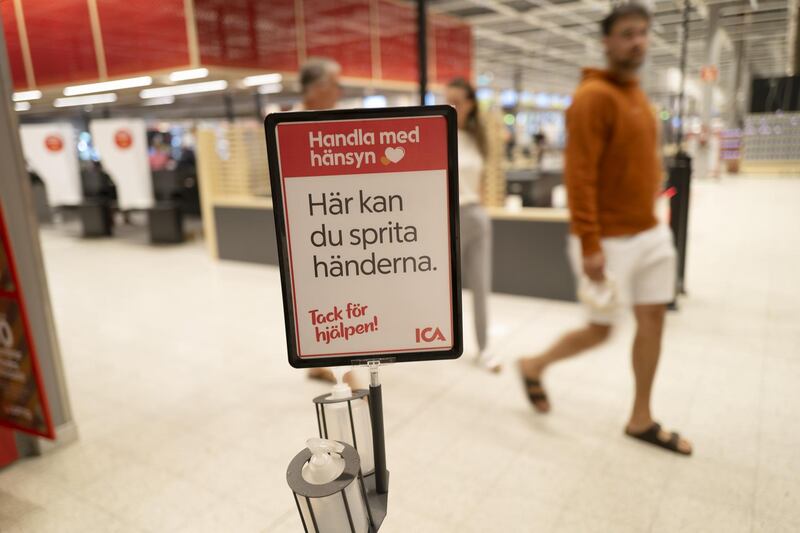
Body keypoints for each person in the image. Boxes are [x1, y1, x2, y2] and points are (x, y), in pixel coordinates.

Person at [518, 3, 692, 455]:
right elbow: (580, 177)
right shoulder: (593, 97)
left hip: (650, 230)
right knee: (600, 329)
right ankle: (535, 364)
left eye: (643, 33)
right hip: (607, 241)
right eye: (628, 33)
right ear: (608, 41)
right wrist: (591, 244)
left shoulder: (636, 94)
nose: (638, 41)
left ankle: (641, 417)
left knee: (653, 318)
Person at [294, 58, 351, 385]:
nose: (339, 92)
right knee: (316, 298)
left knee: (337, 295)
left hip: (338, 226)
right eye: (335, 84)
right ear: (315, 89)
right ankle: (319, 361)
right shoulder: (291, 124)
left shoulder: (333, 122)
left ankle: (327, 360)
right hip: (310, 232)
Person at [445, 78, 499, 373]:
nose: (452, 105)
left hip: (476, 215)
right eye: (447, 99)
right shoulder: (437, 135)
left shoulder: (476, 137)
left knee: (481, 285)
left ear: (470, 104)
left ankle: (485, 348)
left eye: (457, 100)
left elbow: (478, 179)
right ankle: (438, 341)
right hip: (449, 218)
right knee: (445, 287)